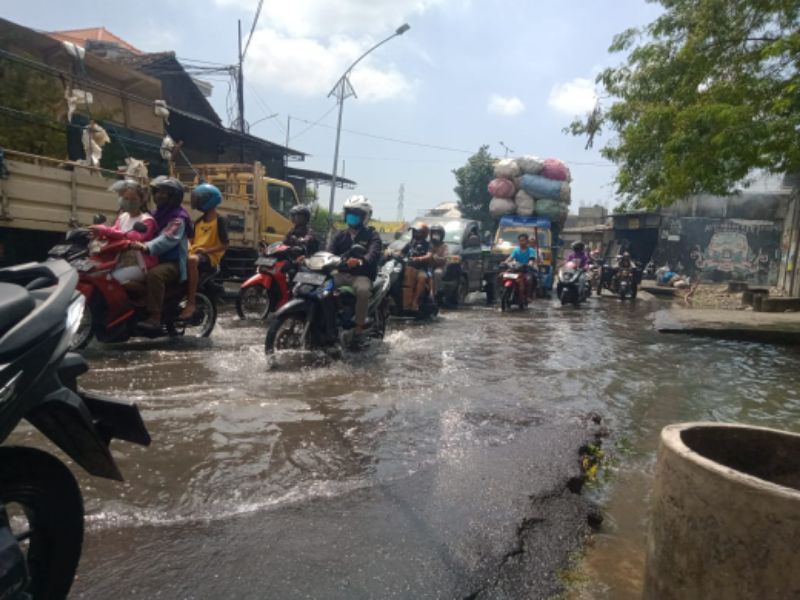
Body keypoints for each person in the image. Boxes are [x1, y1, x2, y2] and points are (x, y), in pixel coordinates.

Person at [129, 176, 194, 332]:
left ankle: (155, 317)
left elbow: (167, 239)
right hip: (153, 258)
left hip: (173, 263)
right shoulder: (155, 213)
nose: (158, 196)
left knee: (154, 275)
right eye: (157, 192)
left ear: (174, 197)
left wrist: (146, 247)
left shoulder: (178, 218)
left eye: (163, 193)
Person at [328, 195, 383, 344]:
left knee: (363, 291)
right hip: (341, 273)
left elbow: (373, 254)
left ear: (365, 217)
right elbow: (329, 252)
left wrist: (360, 261)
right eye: (349, 213)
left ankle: (358, 328)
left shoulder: (372, 235)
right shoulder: (340, 235)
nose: (351, 216)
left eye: (356, 214)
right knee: (323, 288)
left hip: (361, 275)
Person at [90, 180, 157, 285]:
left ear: (141, 201)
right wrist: (99, 234)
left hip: (139, 264)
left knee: (112, 280)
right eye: (126, 198)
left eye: (133, 199)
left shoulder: (147, 220)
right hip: (118, 260)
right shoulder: (122, 217)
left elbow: (134, 237)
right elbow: (114, 232)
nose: (129, 202)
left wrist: (105, 230)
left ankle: (143, 294)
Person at [178, 183, 229, 319]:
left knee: (192, 260)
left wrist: (206, 250)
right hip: (196, 253)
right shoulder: (199, 221)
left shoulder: (220, 220)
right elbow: (191, 240)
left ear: (210, 200)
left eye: (200, 198)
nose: (198, 201)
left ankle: (191, 302)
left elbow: (225, 245)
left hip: (210, 257)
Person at [402, 224, 433, 311]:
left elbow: (429, 255)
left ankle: (414, 301)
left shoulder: (428, 244)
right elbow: (401, 252)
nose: (417, 233)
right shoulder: (411, 243)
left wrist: (419, 258)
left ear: (425, 233)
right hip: (408, 266)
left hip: (421, 268)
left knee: (422, 278)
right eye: (416, 232)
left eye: (420, 232)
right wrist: (390, 253)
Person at [507, 233, 538, 299]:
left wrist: (530, 263)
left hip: (526, 270)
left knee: (529, 280)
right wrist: (505, 262)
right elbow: (510, 258)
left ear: (527, 241)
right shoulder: (516, 250)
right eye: (520, 241)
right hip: (516, 269)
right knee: (503, 276)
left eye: (523, 240)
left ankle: (528, 296)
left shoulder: (531, 250)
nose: (522, 242)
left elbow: (531, 259)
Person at [429, 224, 449, 298]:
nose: (435, 235)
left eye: (437, 233)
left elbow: (444, 259)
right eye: (434, 233)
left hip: (439, 267)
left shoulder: (444, 246)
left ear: (441, 235)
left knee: (437, 273)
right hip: (428, 266)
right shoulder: (428, 244)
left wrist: (435, 257)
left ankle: (435, 294)